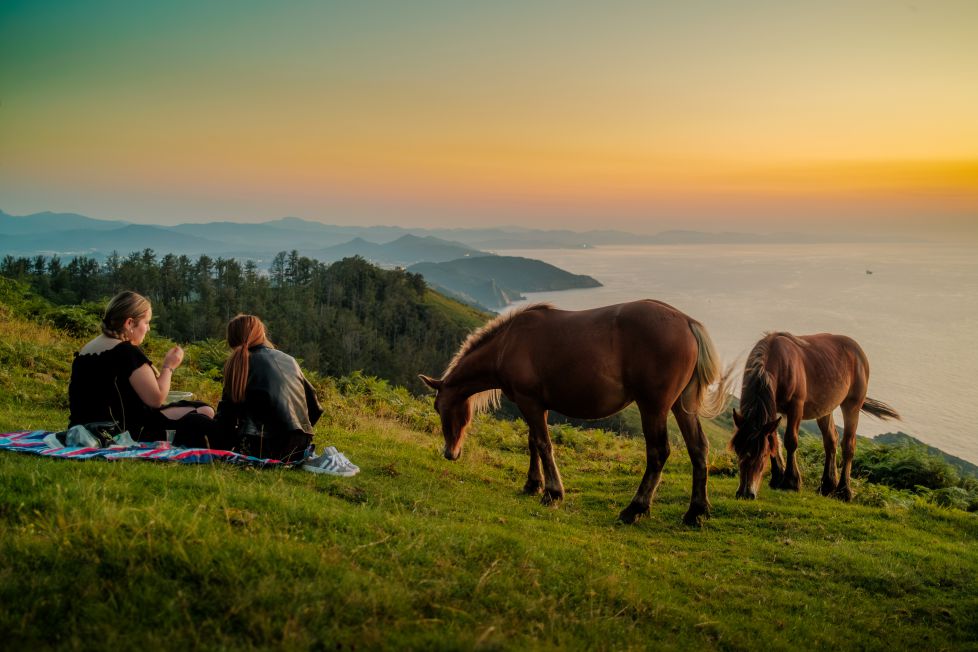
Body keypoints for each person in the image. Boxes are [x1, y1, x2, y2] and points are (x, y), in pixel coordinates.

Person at [217, 314, 359, 475]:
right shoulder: (289, 359)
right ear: (261, 334)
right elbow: (314, 407)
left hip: (260, 447)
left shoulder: (239, 365)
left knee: (196, 421)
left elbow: (225, 418)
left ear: (231, 340)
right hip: (300, 447)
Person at [68, 290, 216, 443]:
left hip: (82, 427)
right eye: (146, 322)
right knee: (204, 413)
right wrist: (168, 367)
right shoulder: (125, 351)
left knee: (202, 410)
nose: (148, 328)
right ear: (130, 323)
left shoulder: (86, 350)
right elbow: (156, 399)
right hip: (124, 431)